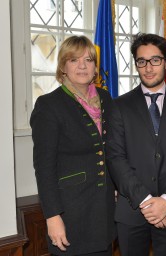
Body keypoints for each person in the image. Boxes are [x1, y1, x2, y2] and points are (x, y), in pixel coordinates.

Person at [106, 33, 166, 256]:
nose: (148, 68)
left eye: (155, 60)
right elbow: (115, 158)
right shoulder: (119, 106)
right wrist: (148, 202)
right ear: (136, 65)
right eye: (142, 61)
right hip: (132, 210)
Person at [30, 35, 116, 255]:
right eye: (74, 60)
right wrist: (52, 216)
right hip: (70, 212)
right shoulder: (49, 105)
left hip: (104, 212)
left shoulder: (106, 98)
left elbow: (112, 150)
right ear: (63, 66)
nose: (82, 66)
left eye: (88, 60)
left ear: (95, 67)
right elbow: (44, 167)